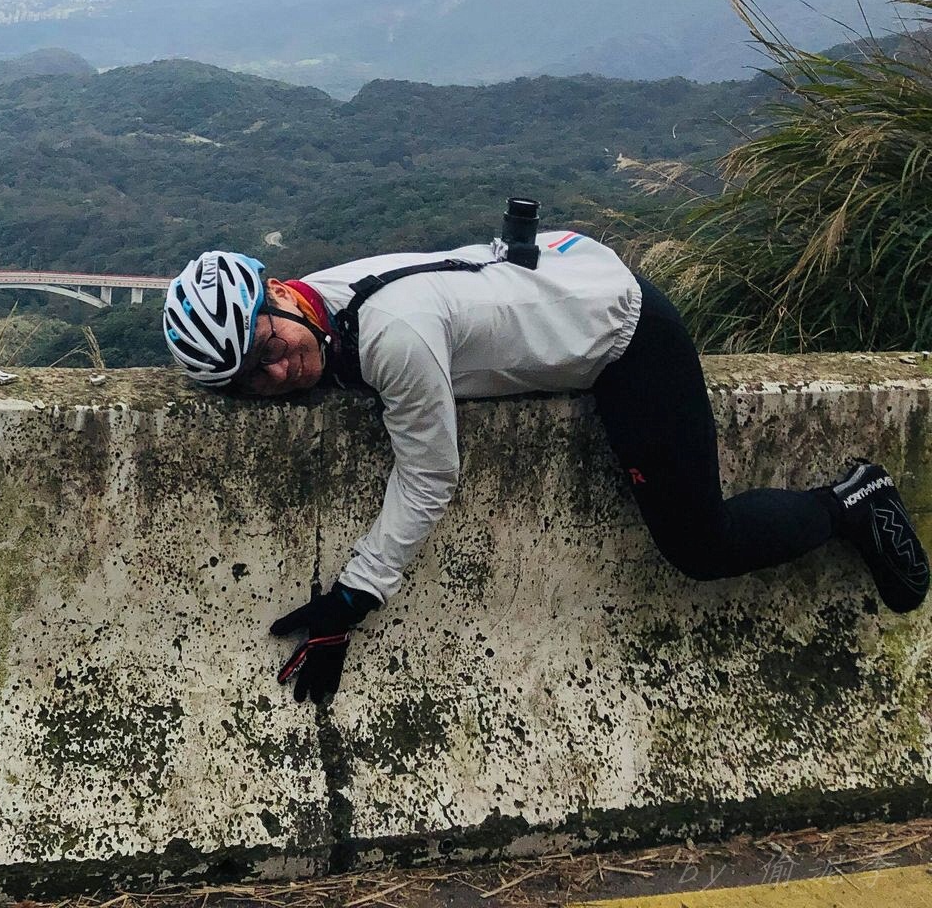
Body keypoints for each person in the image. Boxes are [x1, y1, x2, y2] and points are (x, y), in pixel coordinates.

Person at [163, 229, 929, 704]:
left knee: (702, 544)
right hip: (566, 270)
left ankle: (852, 500)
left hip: (625, 334)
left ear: (275, 294)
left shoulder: (391, 336)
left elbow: (429, 477)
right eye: (249, 381)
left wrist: (352, 597)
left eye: (268, 347)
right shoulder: (317, 304)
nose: (277, 373)